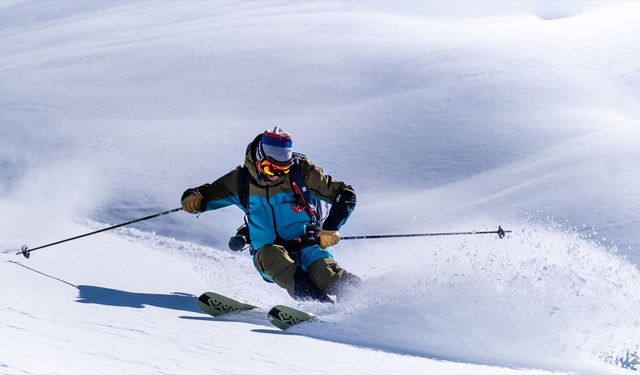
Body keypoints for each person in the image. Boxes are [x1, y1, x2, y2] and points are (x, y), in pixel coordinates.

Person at [181, 127, 360, 302]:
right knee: (273, 256)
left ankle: (371, 300)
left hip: (308, 246)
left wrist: (331, 227)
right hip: (268, 254)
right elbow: (206, 194)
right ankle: (322, 307)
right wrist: (192, 197)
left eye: (283, 170)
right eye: (270, 168)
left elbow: (345, 194)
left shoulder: (301, 173)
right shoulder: (240, 181)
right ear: (259, 159)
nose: (276, 175)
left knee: (327, 276)